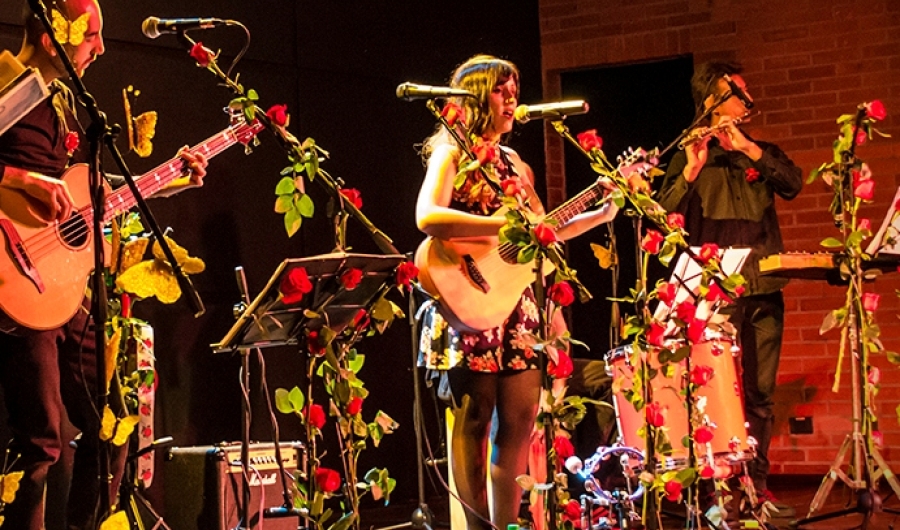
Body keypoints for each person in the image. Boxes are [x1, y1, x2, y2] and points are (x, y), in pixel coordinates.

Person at [0, 1, 208, 529]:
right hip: (14, 281)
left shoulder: (67, 102)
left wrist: (164, 182)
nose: (101, 48)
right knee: (41, 443)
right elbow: (28, 185)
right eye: (91, 35)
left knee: (113, 424)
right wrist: (22, 180)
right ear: (53, 38)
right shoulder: (7, 80)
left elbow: (81, 198)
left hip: (62, 286)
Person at [415, 54, 618, 530]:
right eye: (501, 91)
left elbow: (542, 229)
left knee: (519, 423)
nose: (512, 100)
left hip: (517, 306)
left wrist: (598, 214)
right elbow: (427, 217)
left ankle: (506, 525)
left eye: (515, 90)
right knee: (474, 419)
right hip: (468, 296)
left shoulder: (516, 165)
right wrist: (500, 223)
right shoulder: (451, 154)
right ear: (475, 97)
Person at [657, 61, 802, 514]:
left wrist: (750, 150)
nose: (748, 101)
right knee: (712, 395)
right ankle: (709, 494)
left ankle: (756, 490)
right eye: (738, 93)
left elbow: (794, 182)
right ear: (711, 102)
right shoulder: (689, 156)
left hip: (763, 290)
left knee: (760, 394)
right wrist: (693, 170)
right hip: (714, 296)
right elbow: (660, 215)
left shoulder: (760, 151)